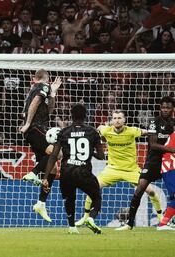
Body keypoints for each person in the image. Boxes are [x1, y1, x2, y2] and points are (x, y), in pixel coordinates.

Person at [76, 110, 162, 227]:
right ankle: (85, 217)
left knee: (151, 191)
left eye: (119, 118)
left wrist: (160, 132)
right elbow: (99, 128)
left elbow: (148, 132)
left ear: (124, 120)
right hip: (112, 169)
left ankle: (160, 217)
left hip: (131, 169)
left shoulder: (132, 131)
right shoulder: (106, 130)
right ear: (112, 120)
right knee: (92, 187)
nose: (117, 120)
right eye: (115, 118)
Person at [43, 104, 105, 234]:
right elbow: (101, 156)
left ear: (71, 116)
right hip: (84, 172)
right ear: (85, 116)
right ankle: (91, 219)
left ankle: (72, 227)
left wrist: (45, 177)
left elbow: (54, 155)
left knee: (70, 198)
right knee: (97, 197)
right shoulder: (92, 132)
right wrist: (90, 152)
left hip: (66, 172)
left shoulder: (64, 132)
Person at [117, 96, 174, 230]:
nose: (165, 110)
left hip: (169, 162)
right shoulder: (154, 122)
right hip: (153, 161)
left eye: (168, 107)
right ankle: (129, 223)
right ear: (160, 108)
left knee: (173, 193)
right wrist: (171, 149)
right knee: (140, 189)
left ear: (172, 109)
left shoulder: (174, 123)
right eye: (163, 107)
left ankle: (168, 221)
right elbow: (153, 144)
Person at [20, 69, 62, 222]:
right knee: (58, 153)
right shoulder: (42, 86)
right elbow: (35, 103)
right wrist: (28, 124)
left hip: (36, 129)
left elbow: (49, 110)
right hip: (36, 128)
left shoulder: (42, 89)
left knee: (54, 168)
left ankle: (41, 203)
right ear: (46, 79)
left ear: (33, 78)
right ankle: (33, 173)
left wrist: (53, 94)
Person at [157, 130, 175, 230]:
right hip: (170, 166)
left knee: (173, 198)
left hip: (171, 166)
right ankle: (163, 224)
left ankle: (165, 223)